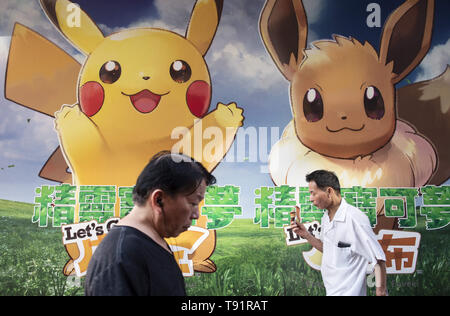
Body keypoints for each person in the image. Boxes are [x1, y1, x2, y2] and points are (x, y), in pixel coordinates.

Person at [85, 151, 216, 296]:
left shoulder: (151, 242)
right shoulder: (122, 256)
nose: (196, 214)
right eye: (193, 203)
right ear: (159, 199)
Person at [291, 170, 387, 296]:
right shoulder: (326, 217)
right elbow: (329, 249)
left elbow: (378, 258)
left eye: (313, 193)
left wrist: (381, 291)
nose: (310, 199)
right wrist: (306, 235)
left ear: (329, 191)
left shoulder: (355, 218)